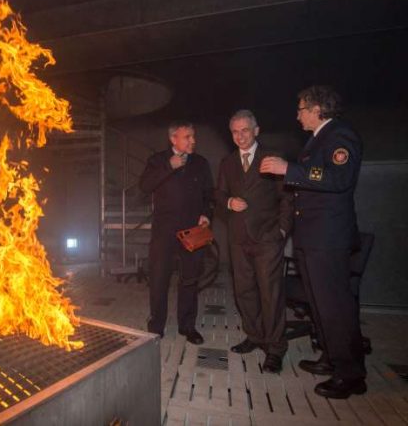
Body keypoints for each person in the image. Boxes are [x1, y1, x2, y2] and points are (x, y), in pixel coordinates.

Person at [260, 85, 366, 398]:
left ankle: (350, 375)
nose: (297, 114)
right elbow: (312, 176)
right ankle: (332, 358)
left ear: (317, 108)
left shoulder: (340, 136)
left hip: (327, 239)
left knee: (334, 306)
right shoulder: (317, 139)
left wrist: (288, 169)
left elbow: (338, 178)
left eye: (301, 108)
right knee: (320, 304)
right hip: (313, 237)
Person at [215, 110, 293, 373]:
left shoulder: (272, 158)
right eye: (235, 132)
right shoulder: (227, 162)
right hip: (238, 239)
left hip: (267, 238)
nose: (240, 136)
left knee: (270, 294)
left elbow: (287, 198)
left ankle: (275, 348)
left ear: (256, 130)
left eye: (245, 130)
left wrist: (282, 230)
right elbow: (219, 195)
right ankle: (255, 335)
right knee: (244, 291)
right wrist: (228, 202)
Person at [139, 120, 214, 344]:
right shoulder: (157, 160)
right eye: (187, 137)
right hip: (164, 231)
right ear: (173, 139)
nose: (193, 141)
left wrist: (206, 213)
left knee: (190, 279)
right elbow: (144, 187)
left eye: (193, 136)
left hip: (193, 230)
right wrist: (168, 167)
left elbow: (209, 194)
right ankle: (156, 327)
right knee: (159, 279)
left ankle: (187, 326)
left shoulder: (200, 163)